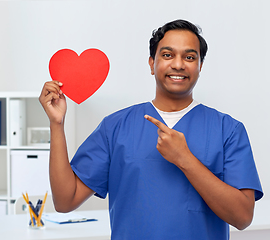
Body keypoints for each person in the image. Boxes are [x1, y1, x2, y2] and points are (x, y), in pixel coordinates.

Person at [39, 19, 263, 240]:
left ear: (200, 66)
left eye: (189, 57)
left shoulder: (228, 130)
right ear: (151, 63)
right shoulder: (116, 127)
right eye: (167, 55)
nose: (178, 64)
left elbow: (242, 217)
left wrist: (185, 159)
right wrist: (56, 124)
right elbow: (65, 201)